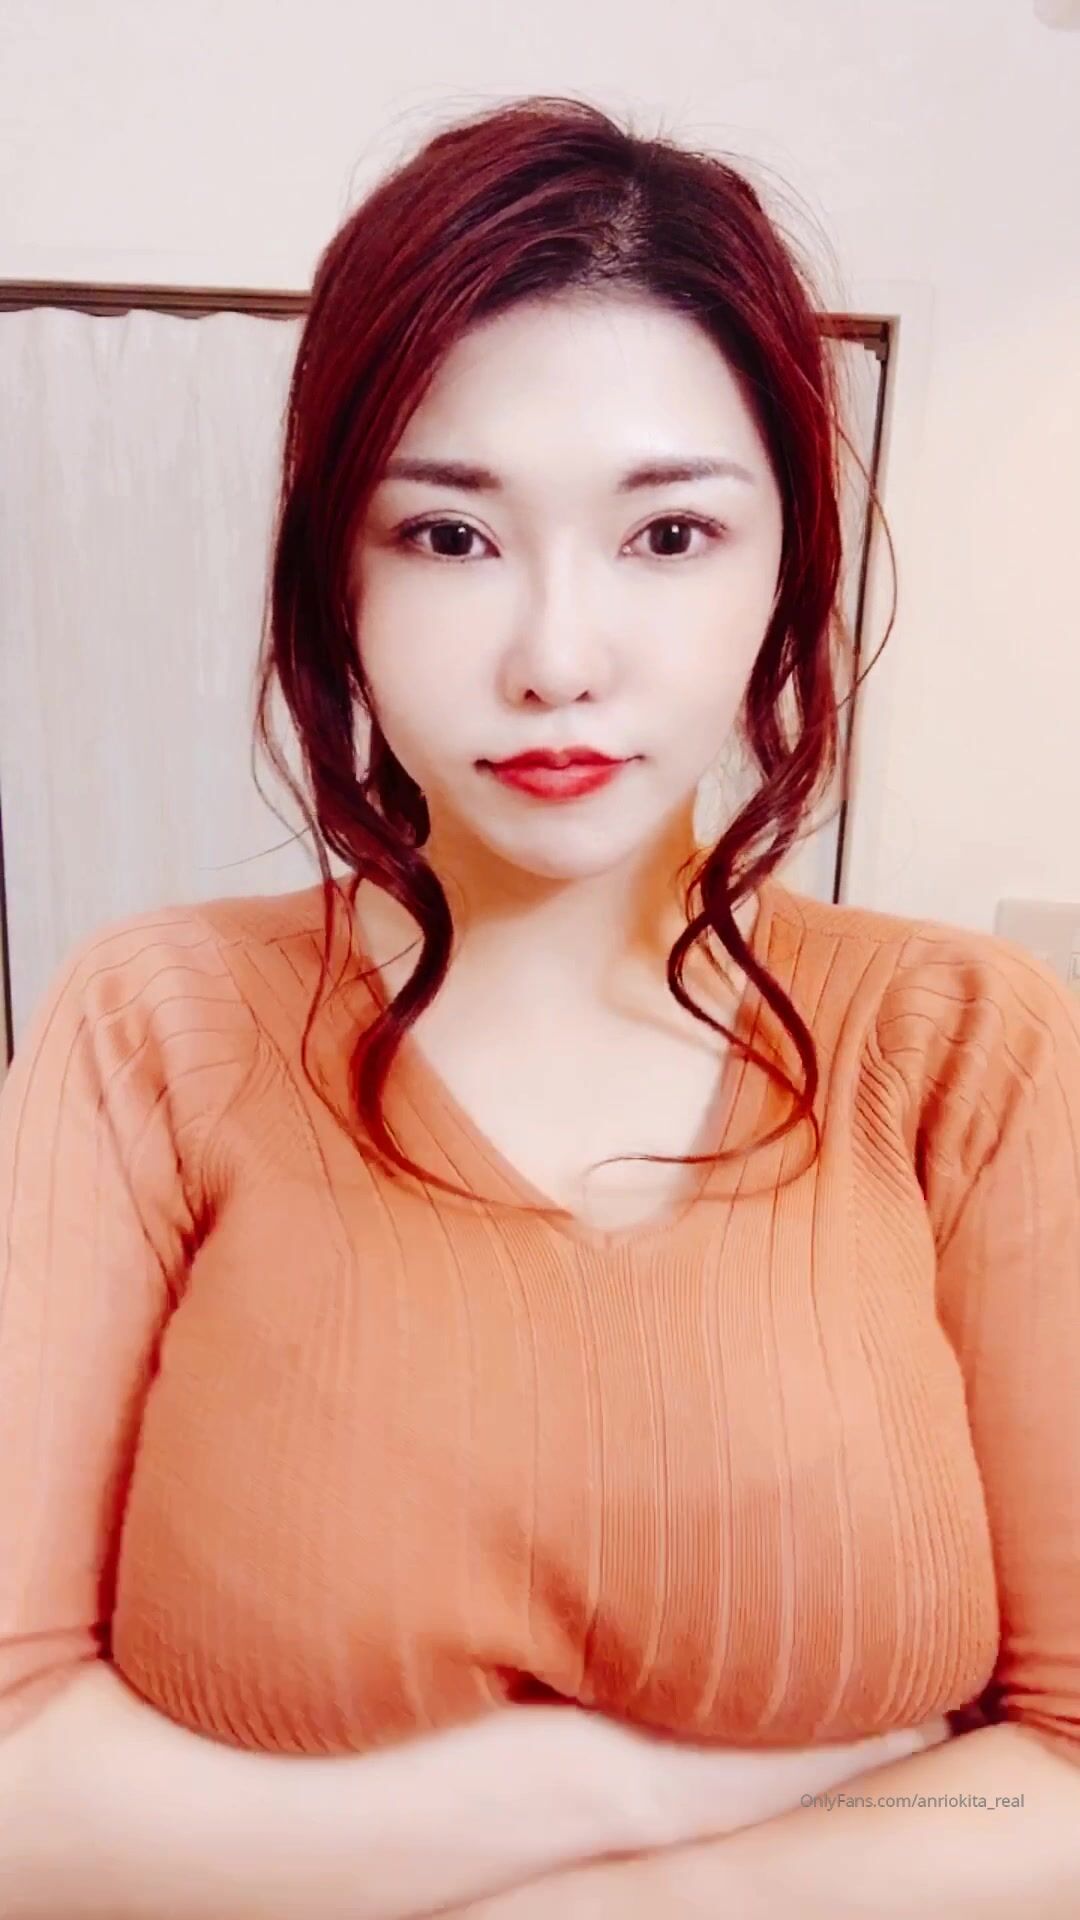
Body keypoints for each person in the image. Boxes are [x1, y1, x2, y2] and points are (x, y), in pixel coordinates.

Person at [2, 93, 1079, 1920]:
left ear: (787, 569)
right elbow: (16, 1781)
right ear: (335, 573)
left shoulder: (969, 1045)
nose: (557, 657)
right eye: (448, 535)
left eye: (670, 535)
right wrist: (634, 1788)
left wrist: (620, 1903)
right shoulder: (149, 1027)